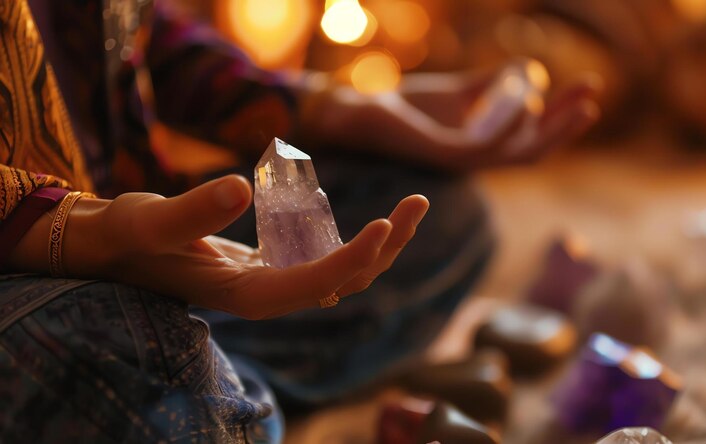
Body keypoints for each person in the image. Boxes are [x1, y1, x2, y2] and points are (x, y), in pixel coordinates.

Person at [0, 0, 598, 442]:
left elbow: (144, 37)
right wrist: (88, 234)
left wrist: (353, 109)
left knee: (446, 212)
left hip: (148, 221)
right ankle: (217, 379)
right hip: (28, 265)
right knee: (125, 349)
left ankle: (214, 378)